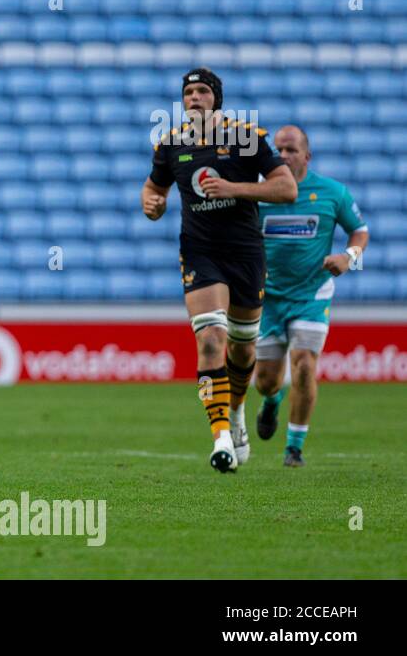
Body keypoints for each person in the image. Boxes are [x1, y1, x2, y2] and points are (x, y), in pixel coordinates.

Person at [140, 68, 297, 473]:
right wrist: (151, 205)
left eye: (203, 91)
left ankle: (238, 410)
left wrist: (235, 189)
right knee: (211, 339)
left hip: (245, 253)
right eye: (188, 92)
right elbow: (154, 188)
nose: (194, 98)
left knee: (243, 347)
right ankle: (221, 437)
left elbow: (286, 188)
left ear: (217, 99)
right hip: (200, 251)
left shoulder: (246, 137)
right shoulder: (171, 143)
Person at [254, 125, 369, 467]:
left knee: (304, 367)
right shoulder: (259, 193)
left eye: (290, 150)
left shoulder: (332, 192)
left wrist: (348, 258)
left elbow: (359, 232)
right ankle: (272, 402)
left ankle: (294, 447)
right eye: (278, 150)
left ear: (307, 155)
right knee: (265, 381)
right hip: (269, 299)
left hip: (311, 295)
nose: (283, 156)